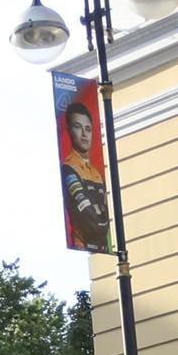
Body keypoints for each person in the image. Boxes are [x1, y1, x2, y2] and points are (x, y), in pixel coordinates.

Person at [60, 101, 110, 253]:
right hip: (84, 245)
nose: (84, 134)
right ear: (69, 130)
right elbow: (91, 220)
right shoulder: (69, 169)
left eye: (88, 129)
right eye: (78, 127)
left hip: (103, 246)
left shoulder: (97, 173)